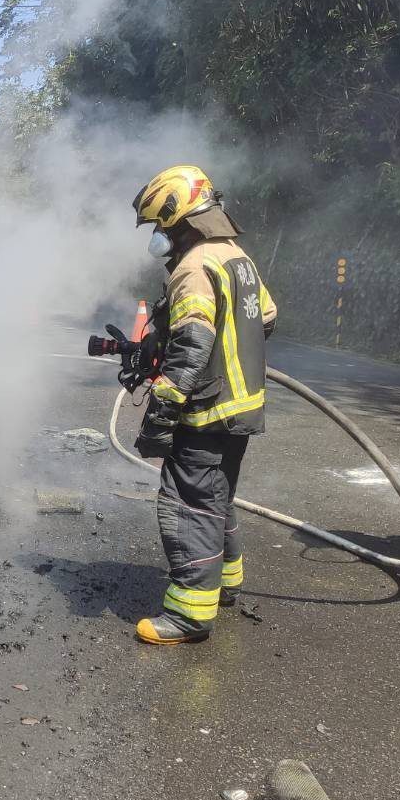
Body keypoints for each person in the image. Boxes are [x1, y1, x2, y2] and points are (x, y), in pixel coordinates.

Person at [130, 166, 277, 645]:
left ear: (185, 222)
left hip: (207, 409)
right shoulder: (237, 257)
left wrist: (161, 411)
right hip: (241, 407)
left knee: (187, 505)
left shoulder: (194, 267)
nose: (161, 238)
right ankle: (225, 586)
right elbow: (267, 318)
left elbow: (192, 347)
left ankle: (191, 614)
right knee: (216, 498)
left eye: (164, 228)